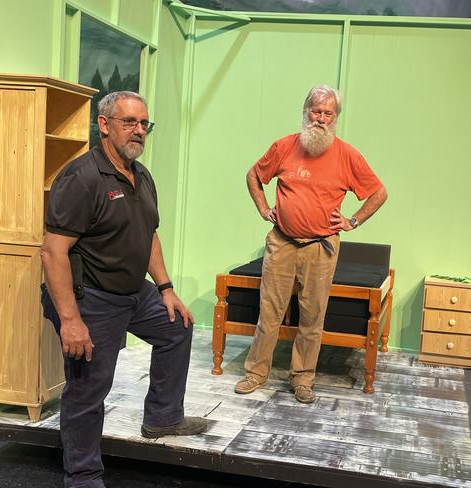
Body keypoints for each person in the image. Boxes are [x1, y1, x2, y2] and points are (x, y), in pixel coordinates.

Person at [40, 91, 207, 488]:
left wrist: (165, 288)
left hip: (134, 292)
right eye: (129, 122)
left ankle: (162, 418)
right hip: (90, 297)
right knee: (89, 389)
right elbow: (52, 253)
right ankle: (82, 477)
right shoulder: (82, 178)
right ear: (103, 125)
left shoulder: (141, 175)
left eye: (143, 124)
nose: (138, 131)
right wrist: (70, 320)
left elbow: (149, 235)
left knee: (176, 328)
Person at [234, 85, 387, 403]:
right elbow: (253, 175)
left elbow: (378, 192)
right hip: (282, 242)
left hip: (322, 247)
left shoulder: (347, 155)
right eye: (315, 111)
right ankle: (256, 373)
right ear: (305, 112)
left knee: (312, 317)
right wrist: (264, 209)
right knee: (269, 312)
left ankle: (302, 380)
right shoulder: (284, 146)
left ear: (335, 118)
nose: (320, 118)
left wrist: (352, 220)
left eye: (327, 113)